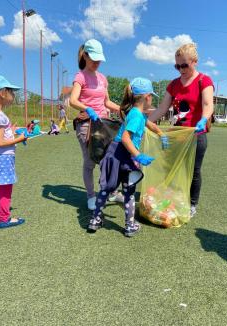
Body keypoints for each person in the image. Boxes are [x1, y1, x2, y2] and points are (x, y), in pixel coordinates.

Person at [88, 77, 168, 237]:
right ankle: (130, 226)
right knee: (128, 192)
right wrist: (137, 155)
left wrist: (161, 134)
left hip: (116, 153)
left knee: (106, 189)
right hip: (123, 153)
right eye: (151, 96)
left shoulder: (136, 113)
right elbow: (125, 138)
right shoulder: (137, 116)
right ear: (147, 97)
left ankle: (95, 220)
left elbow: (149, 123)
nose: (152, 99)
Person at [149, 43, 214, 217]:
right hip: (177, 136)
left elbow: (208, 105)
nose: (180, 69)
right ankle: (171, 198)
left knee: (194, 171)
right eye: (177, 66)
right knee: (170, 168)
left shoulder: (204, 81)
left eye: (184, 65)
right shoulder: (174, 84)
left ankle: (192, 204)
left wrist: (203, 119)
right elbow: (162, 108)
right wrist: (144, 122)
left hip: (196, 135)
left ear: (195, 62)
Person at [69, 39, 124, 210]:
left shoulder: (103, 78)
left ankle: (111, 192)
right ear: (85, 56)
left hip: (104, 125)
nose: (97, 63)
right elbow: (72, 100)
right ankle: (91, 196)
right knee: (90, 162)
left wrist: (124, 110)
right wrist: (88, 109)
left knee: (109, 160)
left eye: (99, 60)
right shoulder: (80, 76)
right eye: (94, 59)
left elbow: (107, 103)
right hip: (86, 124)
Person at [0, 75, 27, 228]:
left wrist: (11, 130)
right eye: (11, 91)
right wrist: (19, 138)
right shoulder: (0, 116)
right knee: (5, 187)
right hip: (3, 159)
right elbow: (0, 142)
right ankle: (3, 218)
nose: (13, 95)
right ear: (2, 93)